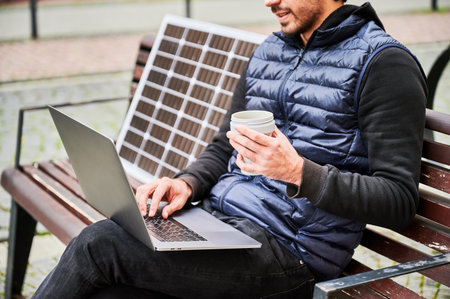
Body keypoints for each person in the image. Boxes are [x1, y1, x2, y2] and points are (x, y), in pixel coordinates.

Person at [33, 0, 427, 298]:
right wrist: (187, 183)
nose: (268, 1)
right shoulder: (271, 51)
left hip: (291, 255)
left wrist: (297, 173)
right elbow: (224, 145)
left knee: (98, 245)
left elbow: (398, 199)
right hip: (222, 225)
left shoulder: (384, 64)